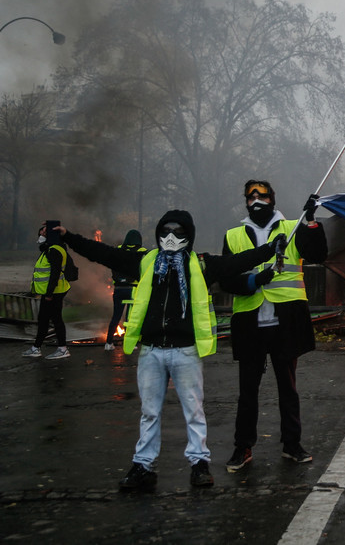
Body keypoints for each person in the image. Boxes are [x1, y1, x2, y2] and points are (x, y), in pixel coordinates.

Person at [57, 210, 281, 490]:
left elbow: (236, 262)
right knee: (149, 412)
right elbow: (104, 253)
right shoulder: (146, 261)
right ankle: (143, 466)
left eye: (178, 232)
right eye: (166, 231)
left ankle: (199, 464)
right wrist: (69, 238)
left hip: (186, 351)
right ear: (158, 233)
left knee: (194, 411)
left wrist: (270, 249)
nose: (171, 237)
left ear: (189, 235)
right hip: (151, 350)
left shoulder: (201, 264)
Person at [220, 180, 327, 472]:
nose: (256, 199)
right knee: (247, 390)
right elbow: (226, 278)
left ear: (272, 198)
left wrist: (311, 221)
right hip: (249, 320)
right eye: (251, 195)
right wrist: (254, 281)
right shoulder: (233, 235)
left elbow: (318, 255)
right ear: (245, 201)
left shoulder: (292, 227)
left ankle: (292, 445)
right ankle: (243, 447)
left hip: (285, 319)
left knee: (288, 387)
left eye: (262, 194)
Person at [23, 221, 72, 360]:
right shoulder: (52, 247)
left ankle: (61, 349)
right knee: (45, 319)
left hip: (55, 292)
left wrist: (49, 293)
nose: (41, 234)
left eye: (44, 232)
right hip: (53, 291)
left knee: (54, 319)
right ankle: (37, 347)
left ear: (51, 234)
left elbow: (55, 273)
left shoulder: (54, 250)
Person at [105, 229, 146, 351]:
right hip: (133, 289)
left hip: (118, 289)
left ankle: (108, 343)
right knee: (130, 317)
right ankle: (130, 343)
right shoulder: (142, 252)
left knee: (116, 316)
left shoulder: (118, 250)